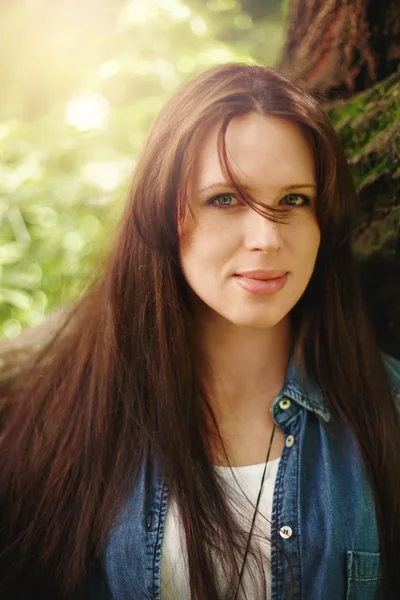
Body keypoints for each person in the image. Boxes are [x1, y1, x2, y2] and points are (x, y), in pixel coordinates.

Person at [0, 62, 399, 600]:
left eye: (293, 200)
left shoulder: (388, 409)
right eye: (226, 199)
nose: (264, 238)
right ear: (163, 211)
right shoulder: (68, 421)